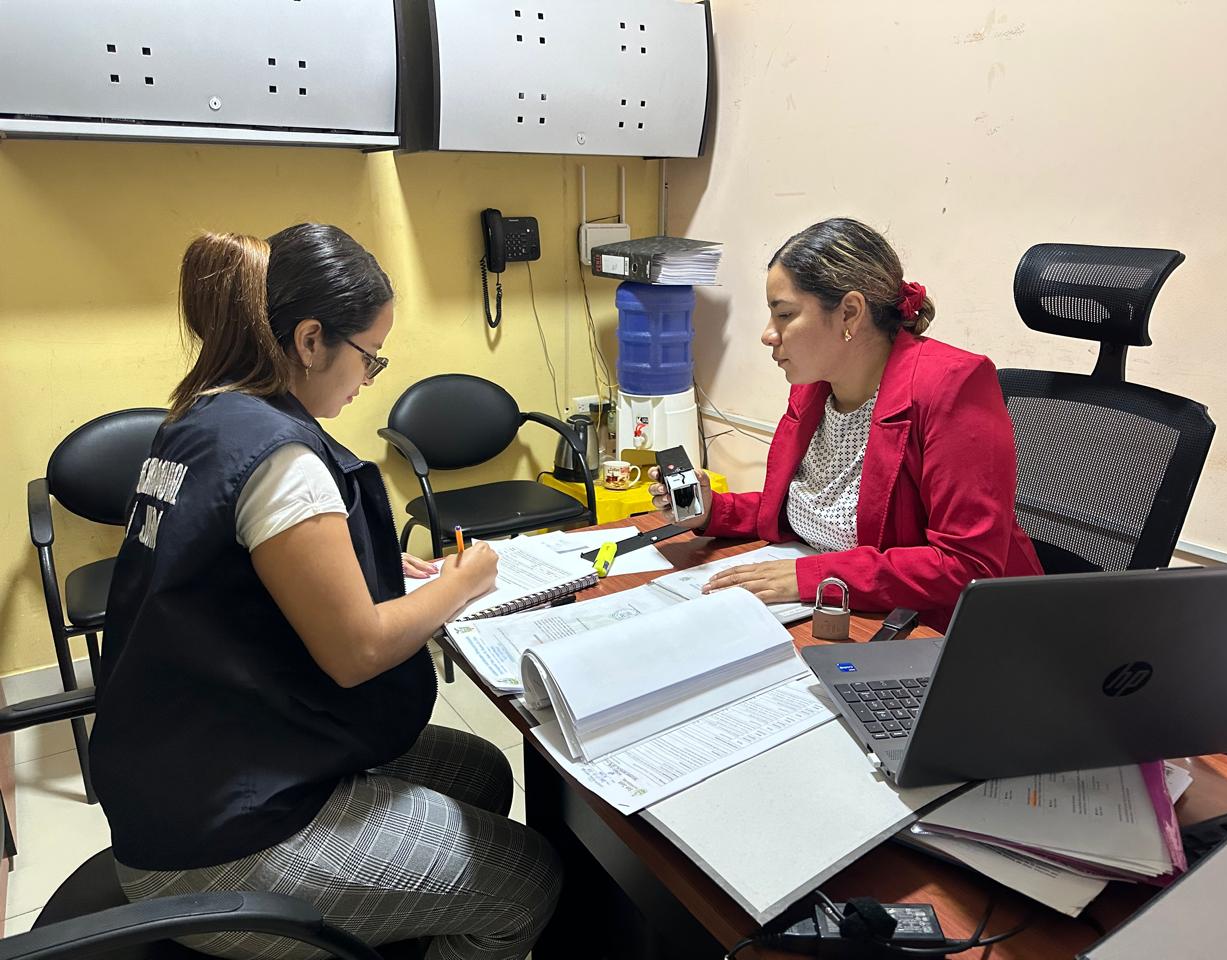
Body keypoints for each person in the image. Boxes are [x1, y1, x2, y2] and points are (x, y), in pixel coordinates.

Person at [90, 224, 561, 960]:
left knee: (479, 770)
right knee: (528, 881)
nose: (369, 377)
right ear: (311, 340)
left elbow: (227, 570)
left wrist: (356, 563)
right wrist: (464, 583)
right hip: (215, 841)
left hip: (178, 773)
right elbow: (357, 651)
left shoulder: (203, 415)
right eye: (371, 355)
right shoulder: (281, 457)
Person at [649, 217, 1043, 632]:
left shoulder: (952, 385)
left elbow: (964, 565)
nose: (768, 335)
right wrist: (713, 510)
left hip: (957, 632)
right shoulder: (814, 386)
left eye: (784, 314)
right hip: (851, 614)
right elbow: (811, 505)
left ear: (849, 313)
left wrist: (813, 577)